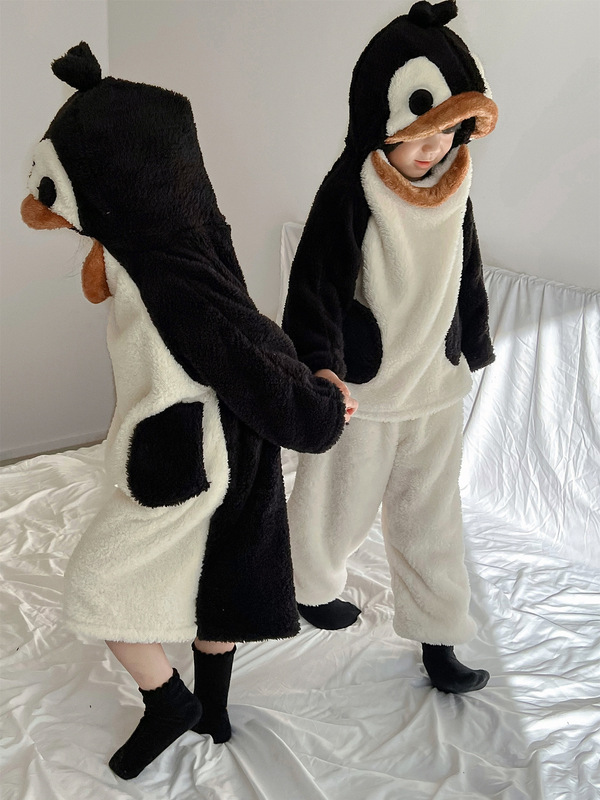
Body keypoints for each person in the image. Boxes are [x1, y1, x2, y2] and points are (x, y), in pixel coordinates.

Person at [21, 42, 354, 780]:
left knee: (96, 586)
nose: (37, 210)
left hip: (191, 449)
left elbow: (241, 349)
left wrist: (317, 407)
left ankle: (170, 702)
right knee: (221, 577)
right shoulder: (177, 241)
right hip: (209, 441)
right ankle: (213, 711)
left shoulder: (169, 273)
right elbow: (250, 326)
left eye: (52, 189)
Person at [283, 0, 499, 693]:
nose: (433, 148)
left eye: (447, 131)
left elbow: (466, 271)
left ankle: (439, 637)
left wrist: (474, 342)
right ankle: (310, 586)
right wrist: (321, 365)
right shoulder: (353, 189)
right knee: (334, 505)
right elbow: (315, 283)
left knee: (432, 520)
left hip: (434, 387)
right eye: (418, 133)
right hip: (364, 390)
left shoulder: (457, 187)